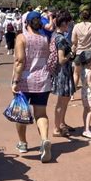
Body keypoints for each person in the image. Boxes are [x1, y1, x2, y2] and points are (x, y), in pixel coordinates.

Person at [11, 11, 52, 162]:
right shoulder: (44, 39)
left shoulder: (21, 37)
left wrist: (15, 80)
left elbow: (20, 60)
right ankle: (44, 139)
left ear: (26, 23)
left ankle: (22, 143)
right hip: (43, 79)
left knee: (21, 112)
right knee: (41, 113)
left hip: (25, 80)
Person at [51, 10, 76, 137]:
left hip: (63, 72)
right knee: (61, 102)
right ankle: (56, 127)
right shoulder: (60, 39)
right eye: (68, 23)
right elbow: (61, 59)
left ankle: (61, 123)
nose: (69, 26)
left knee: (64, 101)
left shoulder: (56, 35)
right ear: (64, 23)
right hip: (63, 72)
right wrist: (71, 54)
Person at [80, 49, 91, 139]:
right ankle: (86, 130)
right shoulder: (89, 71)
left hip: (83, 92)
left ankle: (86, 126)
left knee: (86, 110)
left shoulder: (83, 69)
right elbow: (89, 82)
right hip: (88, 93)